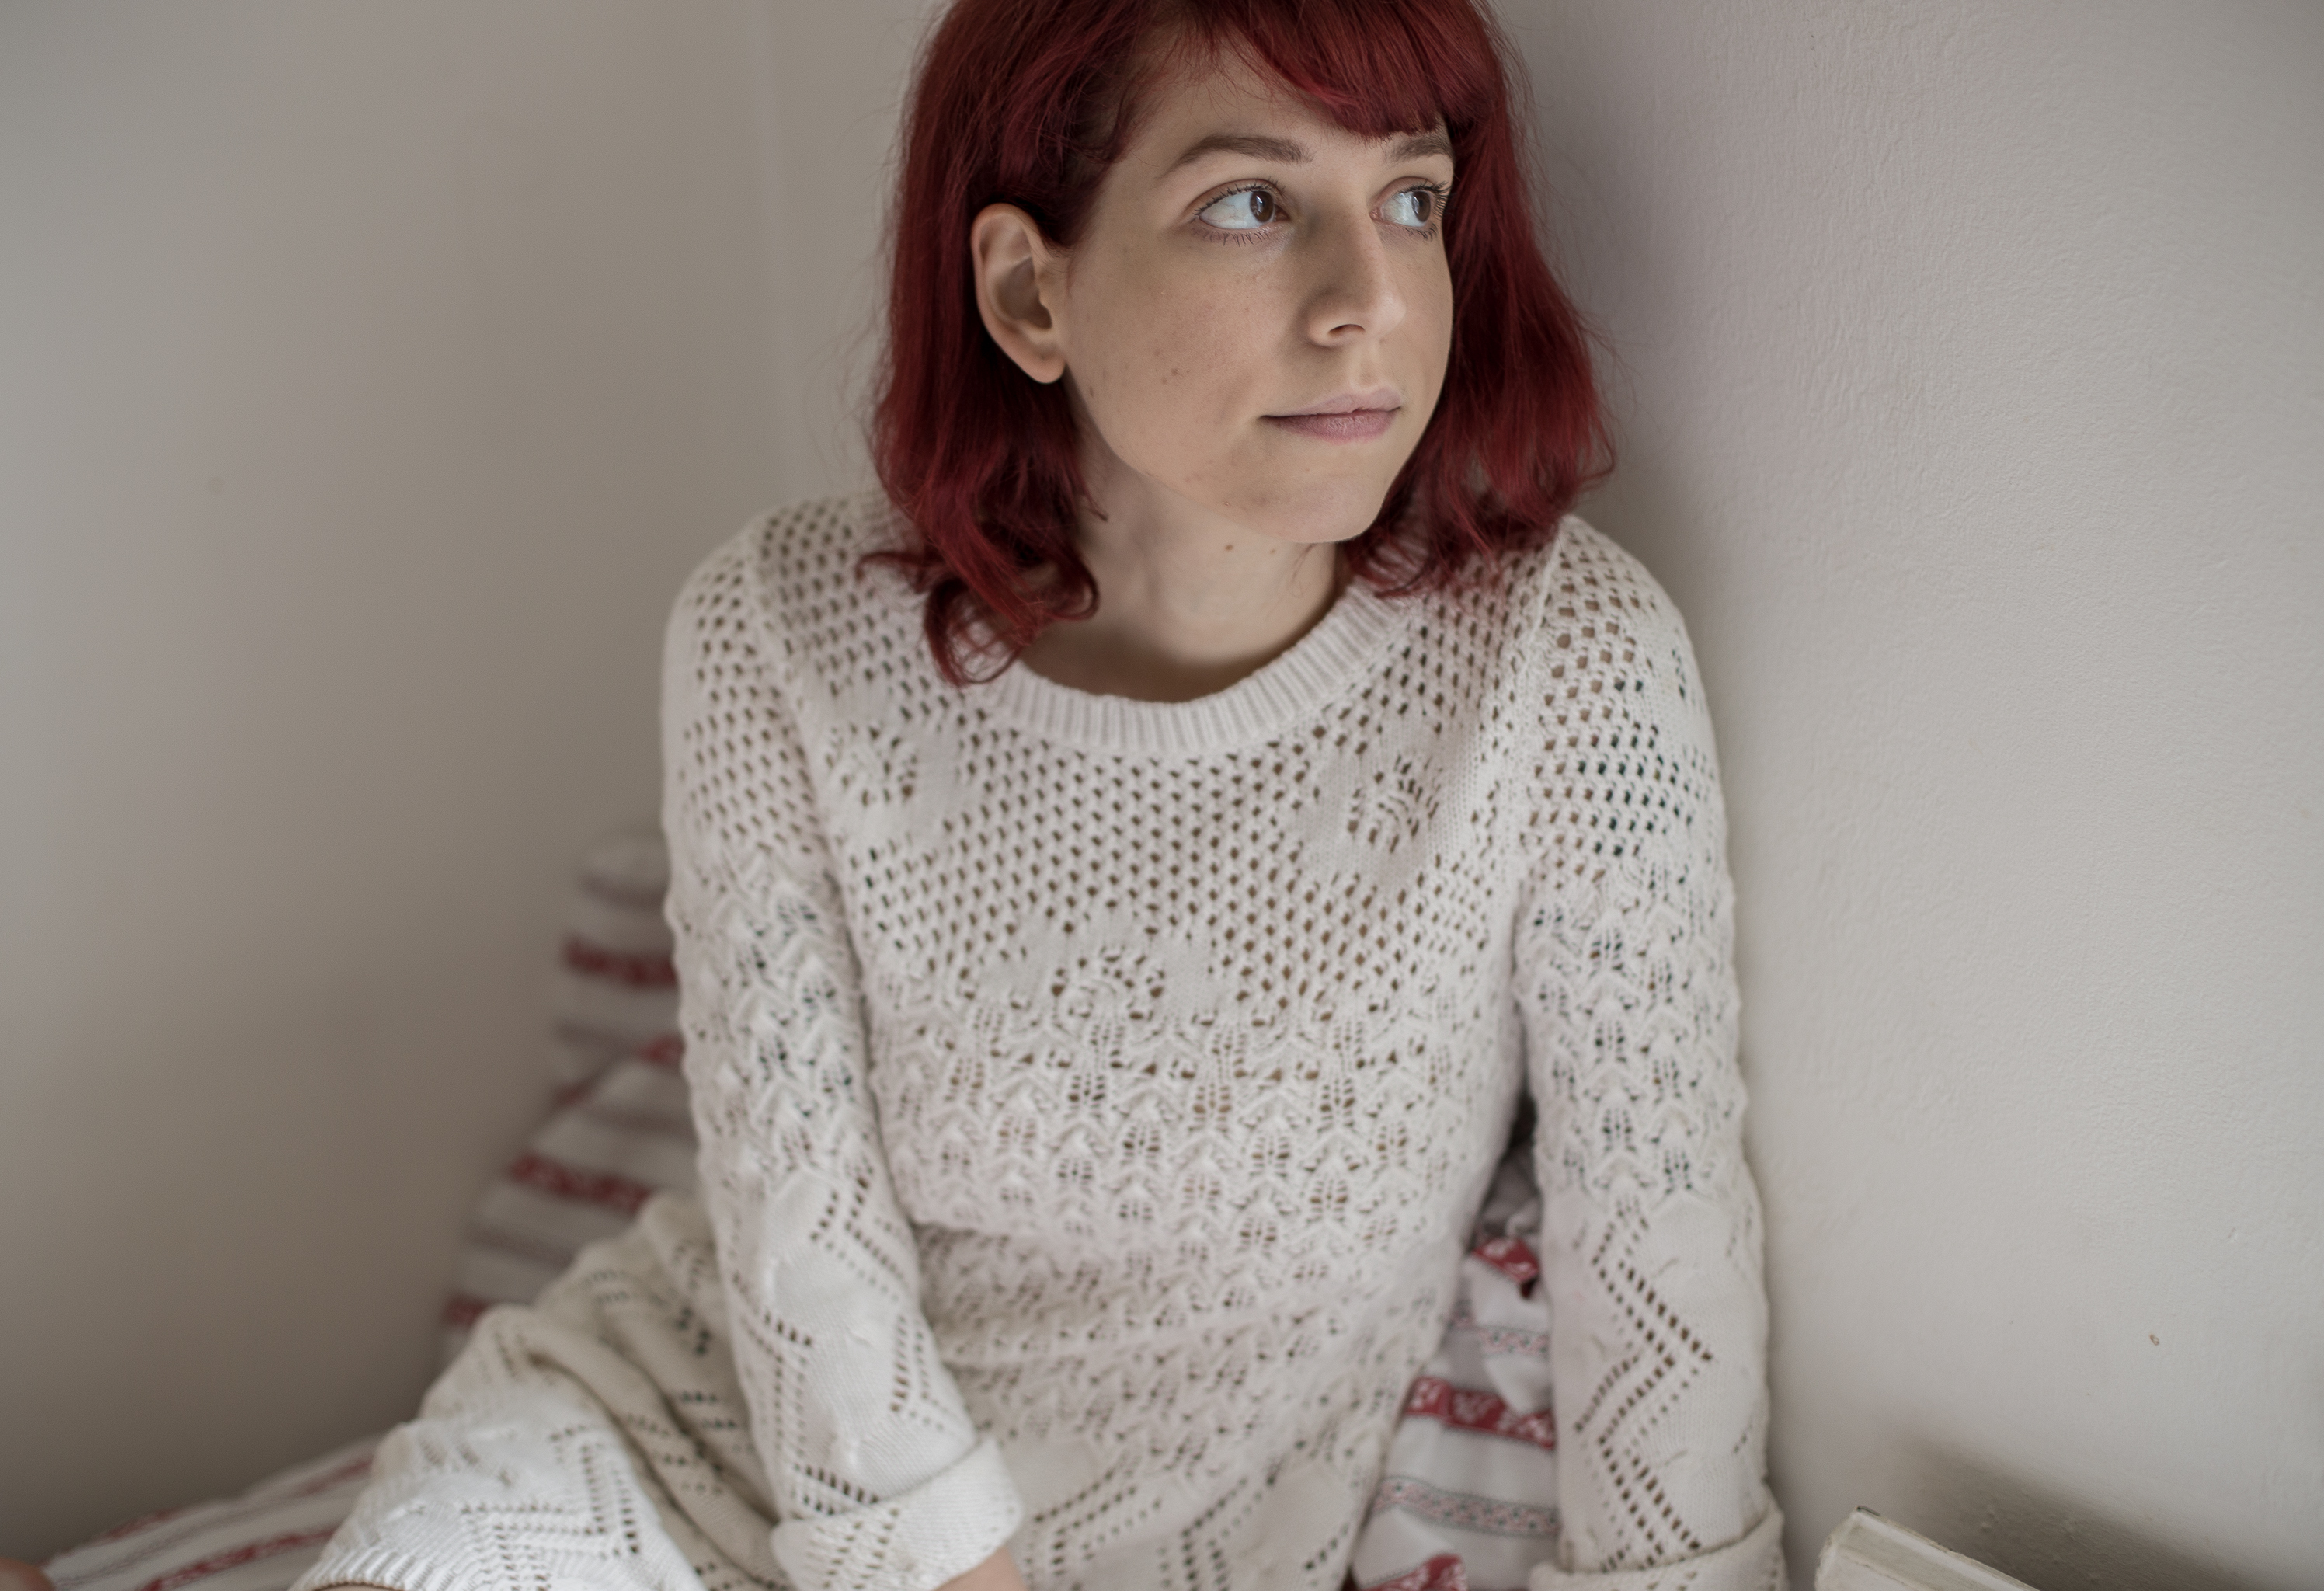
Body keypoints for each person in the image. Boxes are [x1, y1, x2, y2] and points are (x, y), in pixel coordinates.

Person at [301, 0, 1783, 1587]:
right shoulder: (775, 634)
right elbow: (800, 1214)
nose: (1371, 300)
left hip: (1201, 1532)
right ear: (1028, 289)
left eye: (1411, 198)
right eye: (1252, 202)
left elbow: (1659, 1244)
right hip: (689, 1447)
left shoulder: (1564, 661)